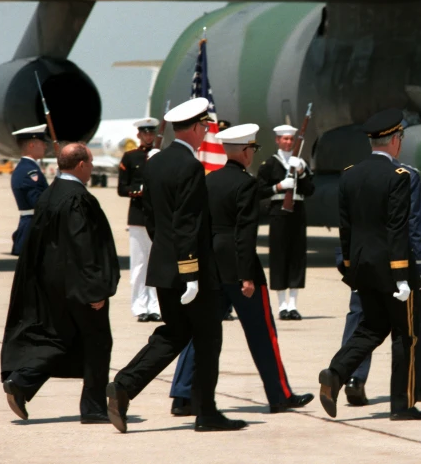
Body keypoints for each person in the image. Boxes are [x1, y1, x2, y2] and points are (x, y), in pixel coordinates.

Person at [105, 98, 246, 433]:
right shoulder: (190, 167)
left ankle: (125, 384)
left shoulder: (154, 164)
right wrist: (191, 274)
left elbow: (153, 220)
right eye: (205, 128)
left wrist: (171, 259)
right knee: (208, 338)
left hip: (164, 267)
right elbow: (188, 224)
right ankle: (206, 412)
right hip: (190, 272)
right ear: (196, 128)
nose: (205, 133)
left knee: (174, 334)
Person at [168, 124, 314, 416]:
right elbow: (244, 232)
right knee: (262, 332)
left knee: (202, 331)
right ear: (246, 152)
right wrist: (246, 274)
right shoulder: (246, 184)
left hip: (212, 265)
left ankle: (183, 396)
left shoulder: (209, 181)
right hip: (238, 265)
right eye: (252, 150)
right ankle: (279, 394)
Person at [318, 109, 421, 421]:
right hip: (395, 271)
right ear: (395, 140)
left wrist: (350, 266)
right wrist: (407, 274)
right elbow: (398, 227)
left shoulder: (350, 174)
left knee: (370, 327)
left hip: (363, 268)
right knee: (405, 336)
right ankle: (403, 405)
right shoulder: (400, 177)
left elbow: (346, 227)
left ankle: (336, 374)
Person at [0, 143, 119, 423]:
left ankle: (22, 382)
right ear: (80, 165)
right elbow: (84, 246)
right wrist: (96, 289)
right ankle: (93, 408)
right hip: (79, 285)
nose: (91, 169)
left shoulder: (50, 194)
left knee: (62, 338)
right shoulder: (77, 198)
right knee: (97, 341)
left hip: (52, 285)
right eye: (89, 163)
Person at [256, 124, 315, 320]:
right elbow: (259, 190)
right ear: (277, 140)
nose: (288, 142)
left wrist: (302, 173)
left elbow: (310, 190)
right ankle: (282, 304)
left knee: (297, 256)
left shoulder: (301, 163)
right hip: (278, 212)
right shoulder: (269, 165)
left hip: (298, 211)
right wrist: (279, 187)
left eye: (291, 139)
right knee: (279, 256)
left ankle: (293, 304)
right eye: (285, 139)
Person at [118, 118, 161, 323]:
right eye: (145, 133)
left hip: (157, 217)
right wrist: (138, 192)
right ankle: (139, 307)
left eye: (151, 133)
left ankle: (156, 307)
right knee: (138, 265)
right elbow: (121, 188)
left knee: (156, 264)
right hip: (137, 216)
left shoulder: (160, 156)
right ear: (139, 135)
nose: (148, 136)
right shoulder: (130, 157)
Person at [9, 125, 49, 256]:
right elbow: (38, 201)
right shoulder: (29, 171)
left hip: (33, 225)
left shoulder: (27, 168)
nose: (45, 146)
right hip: (33, 229)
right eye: (43, 143)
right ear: (32, 145)